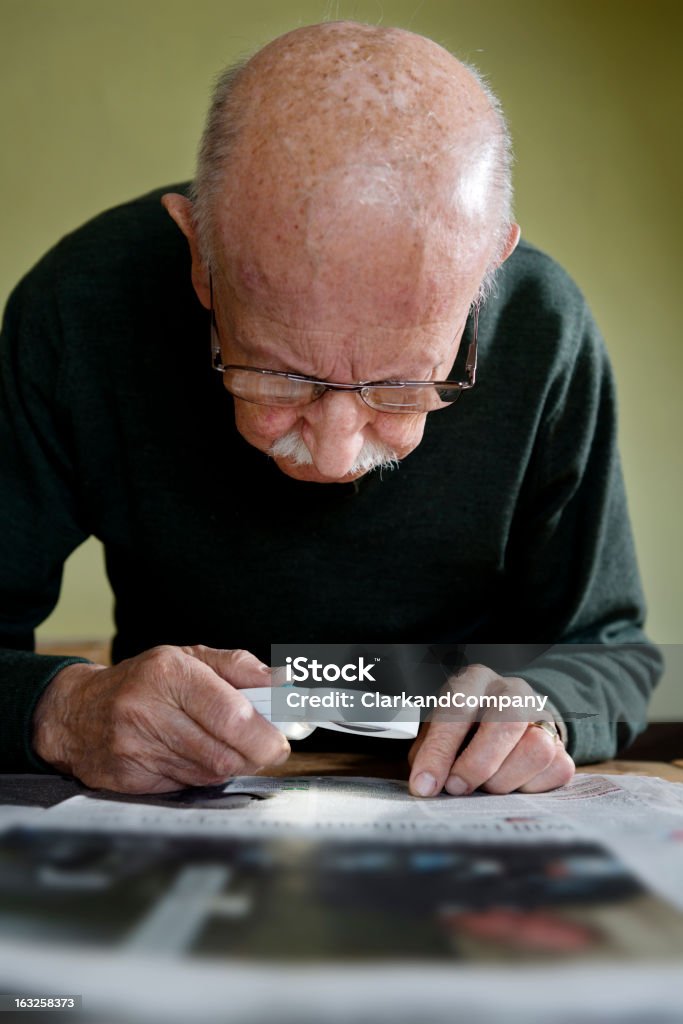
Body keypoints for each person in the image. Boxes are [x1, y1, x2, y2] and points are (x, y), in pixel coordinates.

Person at [0, 21, 660, 795]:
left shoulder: (543, 328)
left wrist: (546, 709)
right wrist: (62, 708)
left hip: (451, 801)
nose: (337, 455)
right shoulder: (81, 306)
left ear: (486, 268)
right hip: (182, 794)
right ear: (200, 262)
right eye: (279, 377)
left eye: (403, 385)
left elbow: (612, 651)